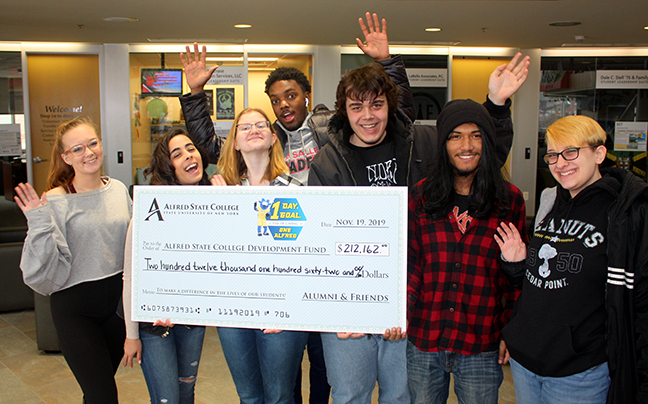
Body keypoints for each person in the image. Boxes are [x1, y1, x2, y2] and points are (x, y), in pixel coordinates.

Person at [307, 54, 529, 403]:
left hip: (412, 300)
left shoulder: (421, 142)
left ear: (389, 106)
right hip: (352, 300)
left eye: (377, 105)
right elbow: (318, 240)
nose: (368, 116)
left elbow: (476, 156)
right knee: (349, 393)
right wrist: (336, 305)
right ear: (344, 112)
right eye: (356, 107)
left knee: (400, 396)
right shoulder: (326, 162)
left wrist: (497, 106)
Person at [496, 115, 648, 404]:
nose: (560, 163)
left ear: (599, 153)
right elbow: (543, 280)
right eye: (553, 155)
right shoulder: (550, 202)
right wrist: (518, 264)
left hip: (579, 371)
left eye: (571, 152)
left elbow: (638, 300)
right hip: (526, 362)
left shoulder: (625, 213)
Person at [179, 12, 414, 186]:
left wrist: (386, 62)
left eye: (291, 96)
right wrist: (197, 93)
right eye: (275, 100)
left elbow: (399, 119)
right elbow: (210, 147)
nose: (283, 104)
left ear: (307, 98)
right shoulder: (269, 136)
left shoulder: (332, 125)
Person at [406, 99, 527, 404]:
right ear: (443, 144)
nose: (466, 145)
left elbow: (516, 278)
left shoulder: (508, 200)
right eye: (455, 136)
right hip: (425, 338)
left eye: (475, 135)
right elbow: (411, 265)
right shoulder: (421, 196)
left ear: (487, 141)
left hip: (481, 342)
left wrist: (512, 332)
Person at [15, 117, 131, 404]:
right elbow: (36, 269)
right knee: (103, 395)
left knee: (97, 390)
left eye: (93, 143)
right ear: (66, 157)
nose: (88, 153)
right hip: (76, 309)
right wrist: (37, 221)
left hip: (117, 306)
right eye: (77, 149)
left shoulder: (118, 188)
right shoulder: (53, 201)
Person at [211, 107, 309, 404]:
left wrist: (289, 307)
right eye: (245, 127)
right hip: (233, 310)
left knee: (280, 396)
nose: (254, 129)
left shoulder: (299, 190)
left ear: (273, 138)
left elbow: (306, 258)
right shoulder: (220, 191)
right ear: (235, 143)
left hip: (283, 310)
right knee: (249, 396)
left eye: (261, 125)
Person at [122, 128, 214, 404]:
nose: (188, 155)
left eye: (190, 148)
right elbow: (131, 275)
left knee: (186, 392)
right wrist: (131, 334)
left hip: (190, 321)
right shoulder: (149, 210)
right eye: (178, 154)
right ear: (168, 166)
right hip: (154, 324)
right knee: (167, 399)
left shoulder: (215, 203)